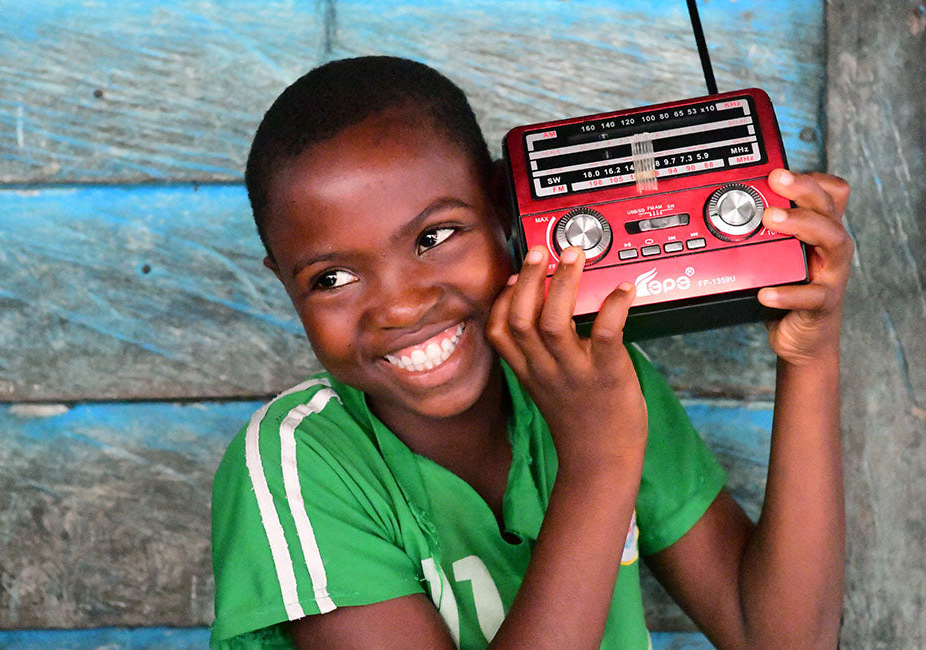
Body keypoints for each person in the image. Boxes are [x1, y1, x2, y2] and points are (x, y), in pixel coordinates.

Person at [210, 56, 852, 649]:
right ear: (284, 282)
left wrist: (810, 356)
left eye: (435, 237)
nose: (400, 307)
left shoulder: (596, 375)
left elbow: (781, 637)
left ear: (505, 209)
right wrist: (599, 461)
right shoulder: (298, 461)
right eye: (332, 278)